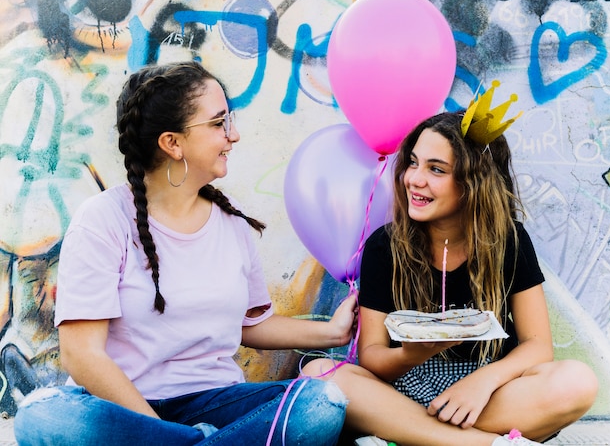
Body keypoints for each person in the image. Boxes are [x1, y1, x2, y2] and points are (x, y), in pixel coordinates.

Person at [13, 61, 358, 446]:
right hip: (121, 409)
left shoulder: (233, 226)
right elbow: (83, 357)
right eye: (218, 123)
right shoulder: (103, 220)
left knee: (319, 403)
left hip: (214, 402)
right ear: (172, 143)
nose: (234, 135)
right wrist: (161, 434)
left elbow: (249, 324)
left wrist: (331, 332)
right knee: (41, 415)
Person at [303, 109, 598, 445]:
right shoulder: (385, 246)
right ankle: (485, 443)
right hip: (403, 391)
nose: (414, 179)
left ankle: (410, 436)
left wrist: (483, 382)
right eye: (413, 163)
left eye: (436, 169)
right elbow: (371, 355)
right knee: (318, 377)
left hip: (486, 395)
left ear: (473, 181)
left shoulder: (508, 240)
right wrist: (411, 355)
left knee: (577, 381)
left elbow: (537, 345)